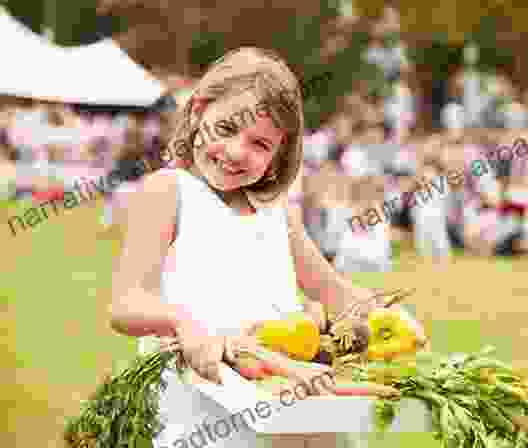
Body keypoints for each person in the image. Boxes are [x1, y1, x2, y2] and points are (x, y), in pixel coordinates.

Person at [106, 48, 426, 448]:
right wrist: (183, 324)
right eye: (225, 129)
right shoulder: (169, 191)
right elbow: (126, 303)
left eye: (259, 144)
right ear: (198, 111)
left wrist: (390, 316)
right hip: (201, 413)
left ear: (278, 156)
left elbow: (335, 292)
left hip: (283, 406)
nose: (237, 152)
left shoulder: (278, 214)